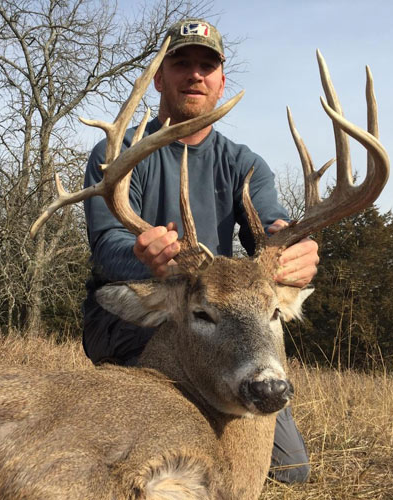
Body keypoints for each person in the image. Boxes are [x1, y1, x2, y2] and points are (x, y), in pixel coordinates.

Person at [82, 18, 317, 483]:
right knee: (172, 451)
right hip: (143, 315)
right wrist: (145, 256)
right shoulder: (121, 158)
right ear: (160, 77)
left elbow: (271, 229)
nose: (195, 74)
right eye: (182, 63)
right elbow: (106, 244)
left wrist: (294, 250)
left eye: (206, 65)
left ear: (221, 80)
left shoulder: (244, 163)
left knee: (289, 468)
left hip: (225, 324)